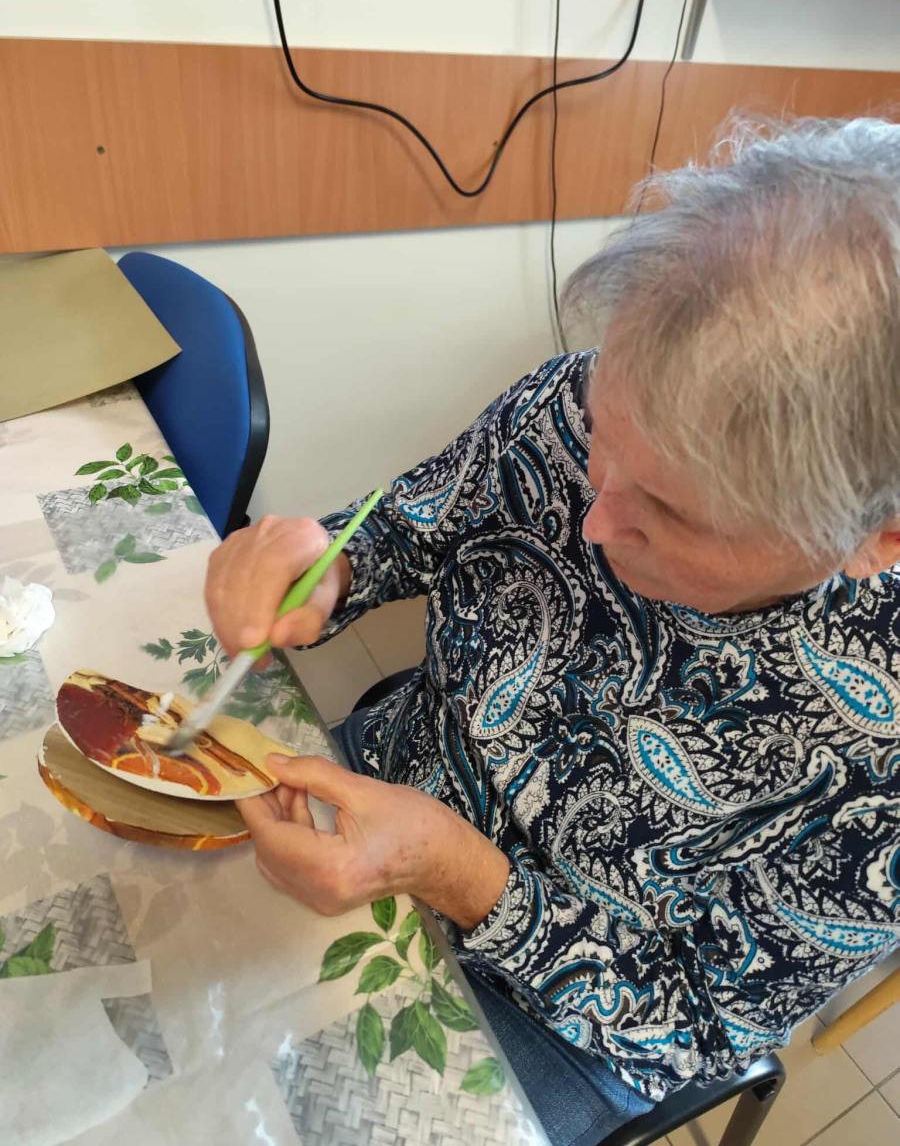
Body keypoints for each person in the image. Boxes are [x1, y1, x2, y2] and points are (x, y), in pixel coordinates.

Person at [205, 117, 900, 1146]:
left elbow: (691, 1027)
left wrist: (456, 874)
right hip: (384, 773)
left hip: (564, 1017)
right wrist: (326, 568)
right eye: (603, 443)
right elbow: (409, 527)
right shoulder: (575, 406)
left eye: (672, 516)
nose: (595, 518)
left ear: (876, 538)